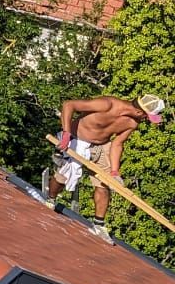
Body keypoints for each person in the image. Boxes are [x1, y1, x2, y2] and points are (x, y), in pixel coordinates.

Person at [43, 93, 166, 236]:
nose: (145, 120)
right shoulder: (107, 104)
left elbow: (117, 144)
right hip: (77, 139)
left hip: (102, 146)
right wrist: (66, 134)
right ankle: (51, 199)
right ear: (139, 112)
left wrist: (114, 171)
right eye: (146, 116)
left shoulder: (132, 123)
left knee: (105, 184)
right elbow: (69, 105)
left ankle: (99, 224)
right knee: (63, 177)